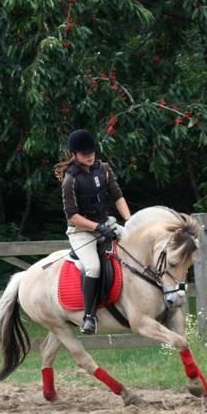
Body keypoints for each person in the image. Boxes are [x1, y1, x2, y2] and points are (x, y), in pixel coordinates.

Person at [54, 129, 132, 334]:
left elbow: (118, 196)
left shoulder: (104, 169)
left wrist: (130, 222)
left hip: (107, 223)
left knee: (137, 244)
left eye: (92, 152)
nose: (89, 156)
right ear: (74, 155)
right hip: (82, 232)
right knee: (93, 268)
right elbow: (72, 216)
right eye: (84, 153)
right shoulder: (70, 180)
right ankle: (89, 316)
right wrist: (98, 228)